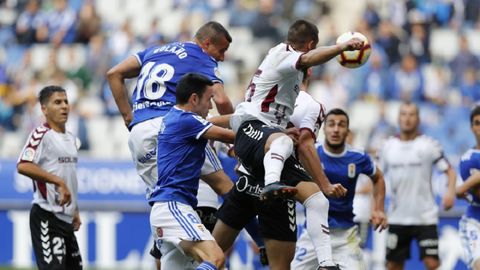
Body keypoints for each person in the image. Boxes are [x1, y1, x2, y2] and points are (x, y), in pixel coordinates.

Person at [229, 19, 362, 269]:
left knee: (217, 249)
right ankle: (271, 186)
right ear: (310, 45)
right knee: (285, 142)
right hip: (259, 139)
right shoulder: (291, 67)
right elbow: (305, 145)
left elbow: (238, 116)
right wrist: (341, 47)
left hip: (256, 146)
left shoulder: (280, 72)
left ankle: (325, 263)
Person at [149, 73, 234, 269]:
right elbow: (231, 136)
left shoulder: (175, 117)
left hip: (170, 208)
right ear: (194, 99)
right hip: (173, 207)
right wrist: (267, 134)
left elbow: (218, 122)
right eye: (209, 99)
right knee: (216, 260)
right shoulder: (186, 119)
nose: (211, 106)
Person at [291, 108, 388, 270]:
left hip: (345, 235)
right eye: (331, 124)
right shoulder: (311, 153)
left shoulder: (358, 157)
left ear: (347, 131)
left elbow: (378, 177)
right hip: (313, 234)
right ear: (324, 129)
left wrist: (379, 209)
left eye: (341, 125)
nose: (336, 129)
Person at [380, 102, 456, 270]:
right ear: (398, 118)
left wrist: (450, 192)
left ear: (418, 119)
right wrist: (377, 208)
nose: (407, 119)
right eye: (404, 114)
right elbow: (377, 178)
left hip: (425, 216)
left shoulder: (429, 145)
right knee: (393, 265)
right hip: (397, 216)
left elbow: (450, 171)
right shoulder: (388, 147)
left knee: (432, 263)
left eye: (411, 114)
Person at [17, 85, 82, 270]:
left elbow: (69, 175)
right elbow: (23, 165)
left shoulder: (71, 139)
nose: (64, 106)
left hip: (66, 219)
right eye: (57, 102)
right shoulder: (41, 135)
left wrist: (75, 210)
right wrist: (57, 182)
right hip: (46, 216)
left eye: (66, 102)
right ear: (44, 109)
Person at [456, 105, 480, 270]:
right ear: (472, 128)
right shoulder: (468, 160)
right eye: (477, 123)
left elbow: (460, 191)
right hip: (475, 222)